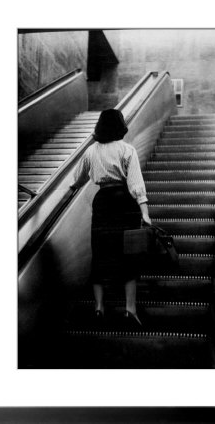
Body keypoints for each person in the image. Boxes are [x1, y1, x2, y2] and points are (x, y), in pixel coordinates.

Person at [70, 109, 151, 328]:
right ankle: (130, 309)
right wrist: (144, 212)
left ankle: (99, 308)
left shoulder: (91, 151)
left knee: (100, 254)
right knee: (129, 255)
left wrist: (73, 186)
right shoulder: (127, 150)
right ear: (120, 126)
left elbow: (78, 178)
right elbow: (135, 183)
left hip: (103, 202)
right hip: (125, 202)